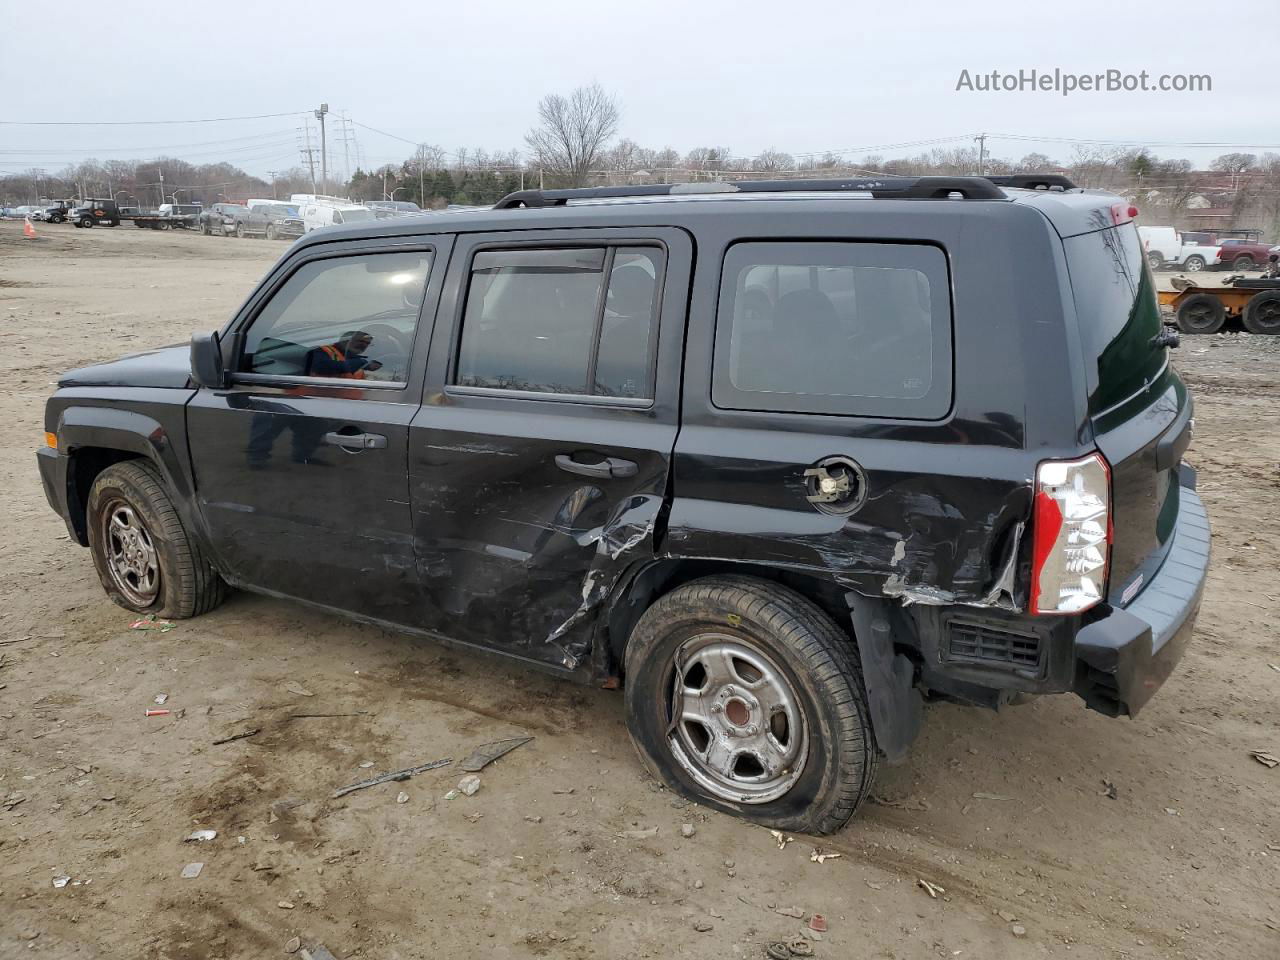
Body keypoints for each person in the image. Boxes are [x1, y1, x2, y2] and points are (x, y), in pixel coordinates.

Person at [306, 330, 382, 379]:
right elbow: (321, 367)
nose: (364, 345)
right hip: (321, 400)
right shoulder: (323, 351)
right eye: (360, 341)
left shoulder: (355, 360)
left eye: (367, 343)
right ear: (345, 340)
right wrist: (363, 364)